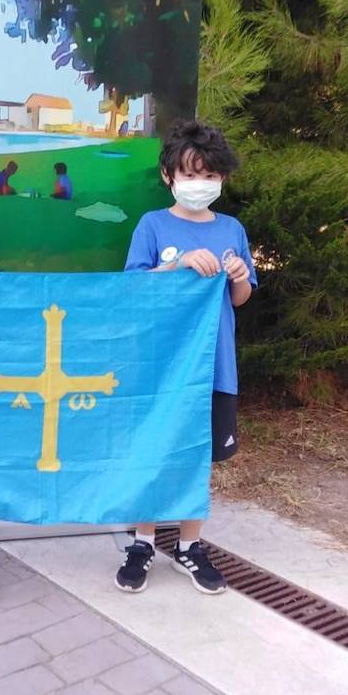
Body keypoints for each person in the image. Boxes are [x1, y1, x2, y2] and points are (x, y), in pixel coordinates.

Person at [116, 118, 257, 596]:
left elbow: (240, 298)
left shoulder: (232, 229)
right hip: (160, 366)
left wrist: (239, 276)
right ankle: (142, 541)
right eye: (191, 174)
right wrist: (176, 264)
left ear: (222, 178)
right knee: (153, 449)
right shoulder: (153, 225)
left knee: (200, 456)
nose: (201, 183)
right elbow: (133, 288)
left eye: (210, 175)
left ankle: (190, 545)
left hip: (214, 366)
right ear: (169, 175)